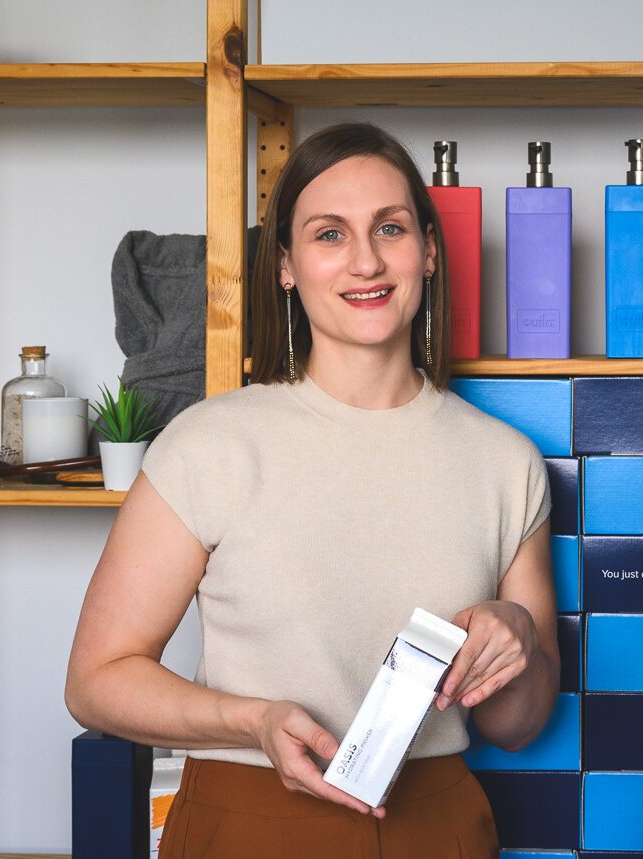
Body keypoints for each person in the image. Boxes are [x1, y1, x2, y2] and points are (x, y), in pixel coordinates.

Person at [66, 122, 559, 857]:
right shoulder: (209, 444)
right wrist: (252, 720)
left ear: (427, 250)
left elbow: (517, 727)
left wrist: (519, 638)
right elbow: (95, 681)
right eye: (330, 234)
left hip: (439, 827)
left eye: (389, 228)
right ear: (286, 266)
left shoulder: (506, 462)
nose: (366, 261)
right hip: (246, 824)